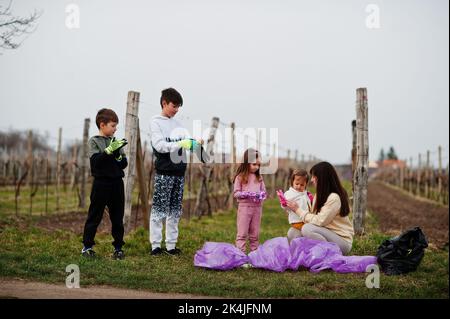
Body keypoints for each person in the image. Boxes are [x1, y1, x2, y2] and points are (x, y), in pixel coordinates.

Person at [149, 87, 204, 256]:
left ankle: (171, 246)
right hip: (164, 172)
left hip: (179, 173)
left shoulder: (178, 125)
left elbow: (185, 146)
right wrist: (182, 144)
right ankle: (156, 245)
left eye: (179, 106)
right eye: (174, 105)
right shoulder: (155, 122)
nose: (177, 109)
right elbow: (160, 146)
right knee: (159, 208)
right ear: (164, 103)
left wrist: (195, 144)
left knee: (175, 210)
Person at [82, 108, 128, 260]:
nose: (115, 129)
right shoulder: (94, 141)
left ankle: (118, 248)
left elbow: (123, 164)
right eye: (113, 125)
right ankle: (87, 247)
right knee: (94, 216)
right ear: (102, 125)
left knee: (117, 217)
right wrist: (108, 151)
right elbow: (96, 163)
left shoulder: (116, 142)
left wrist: (117, 154)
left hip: (117, 184)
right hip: (101, 184)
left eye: (116, 126)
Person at [286, 161, 354, 254]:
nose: (312, 180)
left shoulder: (334, 198)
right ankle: (299, 257)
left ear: (322, 178)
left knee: (307, 229)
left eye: (314, 177)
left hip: (341, 241)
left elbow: (320, 221)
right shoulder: (319, 195)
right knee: (293, 232)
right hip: (326, 233)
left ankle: (326, 255)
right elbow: (312, 218)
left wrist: (298, 210)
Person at [233, 148, 267, 255]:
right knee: (242, 233)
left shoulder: (259, 178)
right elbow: (236, 193)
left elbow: (264, 192)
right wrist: (245, 194)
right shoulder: (240, 177)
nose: (256, 167)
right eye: (254, 164)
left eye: (258, 165)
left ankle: (254, 255)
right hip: (244, 208)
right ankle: (241, 255)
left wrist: (261, 195)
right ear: (247, 162)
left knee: (254, 234)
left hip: (257, 209)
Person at [281, 169, 314, 243]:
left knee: (309, 228)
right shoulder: (290, 194)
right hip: (297, 220)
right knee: (307, 231)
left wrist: (311, 200)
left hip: (306, 218)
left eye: (302, 185)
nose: (299, 186)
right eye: (297, 184)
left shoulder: (305, 193)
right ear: (292, 182)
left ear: (306, 184)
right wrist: (284, 204)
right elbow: (285, 206)